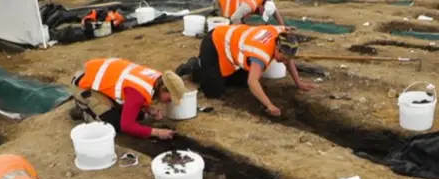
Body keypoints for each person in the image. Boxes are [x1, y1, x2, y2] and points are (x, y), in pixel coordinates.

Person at [176, 25, 313, 117]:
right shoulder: (260, 53)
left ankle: (215, 72)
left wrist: (298, 82)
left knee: (242, 82)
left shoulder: (281, 36)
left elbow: (289, 59)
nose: (284, 61)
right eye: (282, 58)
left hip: (232, 49)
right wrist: (269, 105)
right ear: (277, 49)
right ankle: (196, 67)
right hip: (215, 42)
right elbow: (252, 82)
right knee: (214, 92)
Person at [71, 58, 189, 140]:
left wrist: (147, 109)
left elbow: (130, 92)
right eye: (171, 98)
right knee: (113, 124)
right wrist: (157, 133)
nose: (171, 101)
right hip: (83, 83)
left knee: (136, 115)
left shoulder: (156, 78)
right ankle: (83, 109)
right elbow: (126, 126)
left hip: (95, 73)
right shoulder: (138, 92)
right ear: (164, 89)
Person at [216, 0, 285, 26]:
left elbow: (274, 10)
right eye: (263, 13)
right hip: (224, 3)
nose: (261, 15)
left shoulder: (267, 2)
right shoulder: (250, 5)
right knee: (225, 23)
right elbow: (234, 18)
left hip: (241, 6)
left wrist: (282, 26)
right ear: (261, 6)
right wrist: (242, 28)